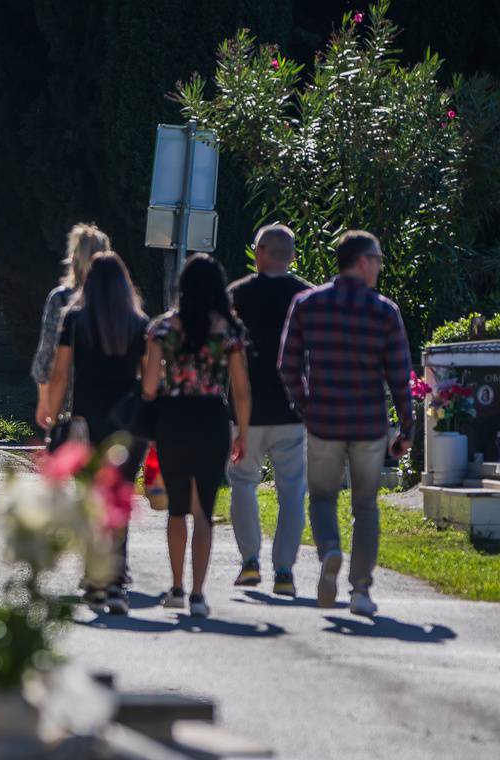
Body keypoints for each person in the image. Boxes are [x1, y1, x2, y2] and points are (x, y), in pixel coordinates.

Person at [278, 229, 414, 617]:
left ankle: (330, 551)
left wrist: (306, 405)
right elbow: (400, 376)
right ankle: (360, 590)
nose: (380, 267)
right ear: (362, 262)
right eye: (378, 259)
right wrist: (406, 428)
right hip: (369, 426)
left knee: (322, 498)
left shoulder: (307, 304)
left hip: (323, 423)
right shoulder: (385, 311)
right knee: (366, 506)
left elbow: (287, 364)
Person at [140, 254, 252, 618]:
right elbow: (241, 389)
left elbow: (151, 384)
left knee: (176, 508)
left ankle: (175, 586)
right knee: (204, 508)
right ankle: (199, 594)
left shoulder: (162, 328)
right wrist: (243, 433)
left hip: (173, 419)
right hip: (211, 418)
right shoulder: (228, 330)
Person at [38, 250, 148, 614]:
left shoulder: (76, 320)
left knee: (90, 502)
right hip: (129, 427)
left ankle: (94, 578)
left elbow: (59, 372)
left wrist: (52, 416)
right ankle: (115, 581)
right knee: (120, 500)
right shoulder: (139, 323)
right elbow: (150, 382)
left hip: (88, 423)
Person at [227, 223, 313, 597]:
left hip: (244, 411)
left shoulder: (237, 295)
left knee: (243, 482)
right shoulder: (307, 296)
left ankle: (249, 562)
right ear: (292, 256)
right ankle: (284, 570)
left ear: (258, 252)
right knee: (291, 491)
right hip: (291, 408)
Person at [31, 224, 113, 428]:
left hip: (72, 406)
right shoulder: (121, 302)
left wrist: (45, 403)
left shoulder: (60, 299)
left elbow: (47, 357)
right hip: (115, 408)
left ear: (74, 257)